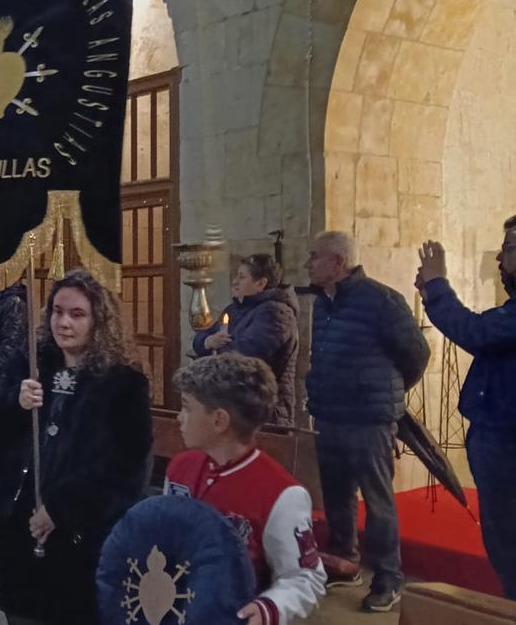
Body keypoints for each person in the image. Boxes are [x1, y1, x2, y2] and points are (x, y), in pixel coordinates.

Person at [0, 269, 153, 625]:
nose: (63, 322)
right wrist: (15, 404)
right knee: (21, 615)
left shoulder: (123, 382)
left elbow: (128, 469)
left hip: (79, 532)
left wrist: (61, 509)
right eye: (57, 311)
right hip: (18, 523)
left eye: (77, 314)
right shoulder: (30, 365)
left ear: (99, 320)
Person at [303, 231, 429, 613]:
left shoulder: (381, 301)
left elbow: (417, 354)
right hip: (330, 414)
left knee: (378, 502)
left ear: (338, 262)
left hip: (368, 419)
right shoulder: (324, 303)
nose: (308, 263)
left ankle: (388, 578)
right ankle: (345, 562)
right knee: (337, 497)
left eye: (314, 256)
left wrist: (384, 391)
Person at [165, 353, 326, 624]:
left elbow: (306, 577)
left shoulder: (281, 494)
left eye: (187, 408)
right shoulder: (179, 467)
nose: (180, 418)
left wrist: (269, 607)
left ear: (219, 420)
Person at [415, 218, 516, 598]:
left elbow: (477, 332)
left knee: (508, 542)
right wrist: (432, 293)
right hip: (499, 436)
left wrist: (439, 285)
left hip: (507, 440)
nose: (500, 260)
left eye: (508, 249)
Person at [192, 254, 299, 425]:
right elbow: (199, 339)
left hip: (264, 410)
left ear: (261, 283)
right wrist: (208, 341)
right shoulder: (234, 310)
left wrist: (214, 350)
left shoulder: (276, 312)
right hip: (237, 405)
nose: (235, 282)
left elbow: (247, 355)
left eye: (242, 277)